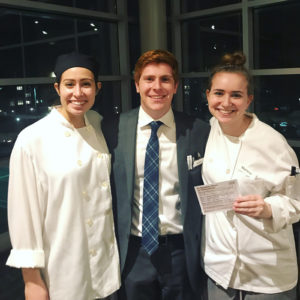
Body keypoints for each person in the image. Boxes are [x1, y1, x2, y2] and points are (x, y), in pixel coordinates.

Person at [6, 52, 120, 300]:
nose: (78, 93)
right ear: (58, 88)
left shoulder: (98, 124)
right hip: (64, 268)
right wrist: (32, 281)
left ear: (97, 88)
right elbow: (24, 214)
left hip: (107, 269)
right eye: (70, 84)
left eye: (86, 84)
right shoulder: (32, 139)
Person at [102, 49, 210, 300]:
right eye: (149, 79)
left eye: (165, 79)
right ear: (137, 84)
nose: (157, 87)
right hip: (133, 251)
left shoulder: (198, 131)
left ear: (175, 86)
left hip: (181, 251)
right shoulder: (113, 129)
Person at [202, 51, 300, 299]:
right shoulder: (208, 131)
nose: (226, 103)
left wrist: (268, 208)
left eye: (236, 95)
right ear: (208, 95)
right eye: (219, 93)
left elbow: (296, 201)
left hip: (266, 272)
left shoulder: (273, 142)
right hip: (219, 270)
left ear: (249, 100)